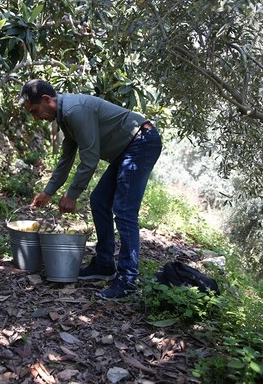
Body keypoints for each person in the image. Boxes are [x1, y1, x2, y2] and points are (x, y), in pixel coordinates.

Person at [19, 79, 162, 299]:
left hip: (140, 142)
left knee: (124, 210)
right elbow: (66, 158)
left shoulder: (75, 111)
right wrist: (48, 192)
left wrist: (71, 195)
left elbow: (90, 158)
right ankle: (104, 264)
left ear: (47, 100)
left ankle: (127, 278)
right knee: (99, 201)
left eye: (35, 111)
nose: (36, 117)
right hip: (126, 149)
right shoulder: (65, 116)